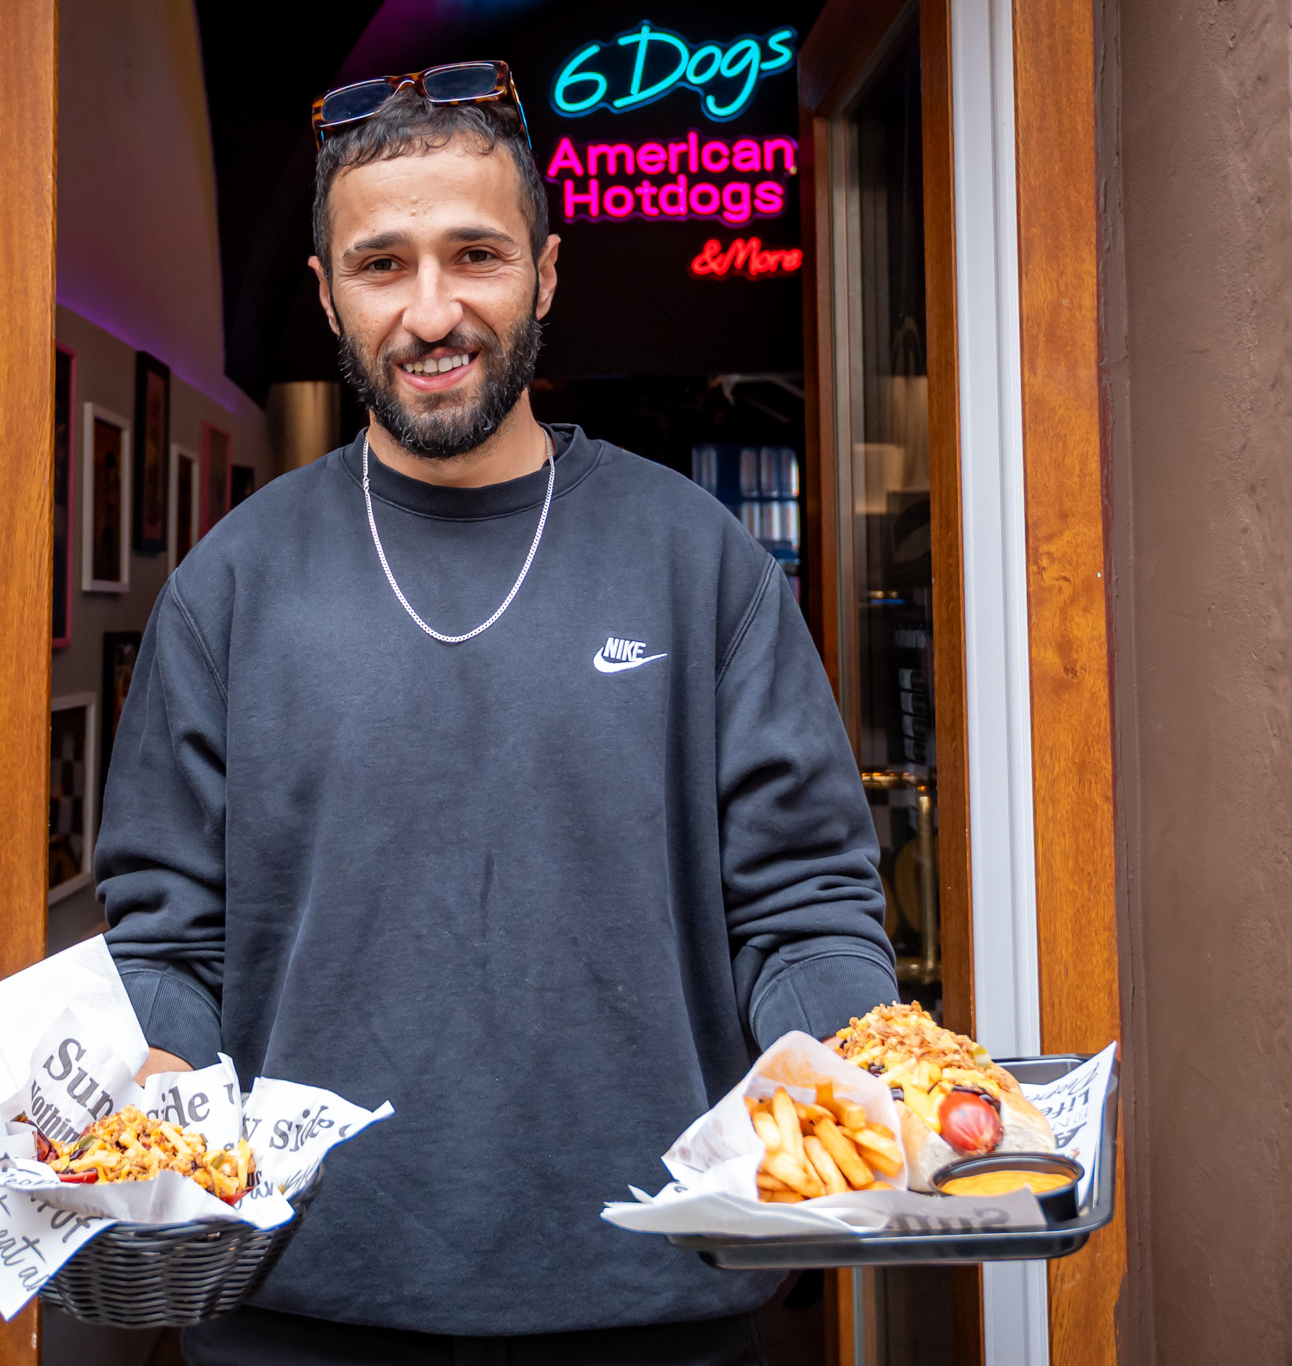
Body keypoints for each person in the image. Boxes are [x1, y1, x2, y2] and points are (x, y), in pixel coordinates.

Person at [96, 61, 895, 1366]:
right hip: (294, 1306)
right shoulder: (228, 588)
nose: (433, 312)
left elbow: (804, 905)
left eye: (476, 254)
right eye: (383, 265)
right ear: (327, 295)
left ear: (547, 272)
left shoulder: (699, 562)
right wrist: (136, 1084)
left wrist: (854, 1063)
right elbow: (167, 945)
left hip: (656, 1305)